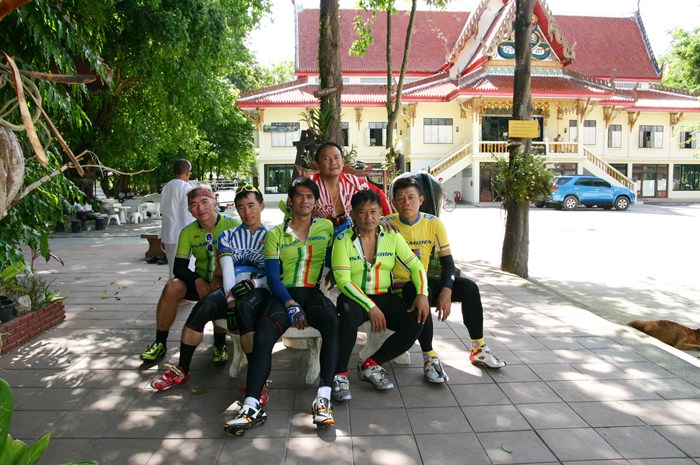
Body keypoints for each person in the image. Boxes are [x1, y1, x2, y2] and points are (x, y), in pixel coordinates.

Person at [224, 178, 338, 433]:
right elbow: (273, 278)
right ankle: (251, 405)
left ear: (315, 202)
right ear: (290, 200)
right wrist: (290, 304)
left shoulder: (326, 227)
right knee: (264, 334)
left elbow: (353, 231)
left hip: (312, 293)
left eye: (310, 196)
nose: (305, 200)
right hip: (283, 294)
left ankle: (323, 399)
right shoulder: (275, 234)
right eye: (299, 195)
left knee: (332, 322)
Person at [149, 185, 270, 391]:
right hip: (231, 285)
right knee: (202, 308)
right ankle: (181, 368)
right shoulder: (227, 235)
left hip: (259, 288)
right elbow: (227, 270)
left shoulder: (272, 236)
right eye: (241, 207)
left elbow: (276, 274)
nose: (247, 212)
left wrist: (253, 284)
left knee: (244, 311)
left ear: (262, 206)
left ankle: (258, 384)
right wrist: (230, 300)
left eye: (251, 206)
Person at [386, 176, 506, 384]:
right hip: (399, 288)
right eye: (401, 199)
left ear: (421, 200)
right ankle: (430, 358)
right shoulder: (386, 224)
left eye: (411, 197)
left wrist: (447, 290)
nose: (407, 203)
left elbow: (448, 263)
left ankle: (478, 348)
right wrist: (381, 222)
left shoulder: (433, 223)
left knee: (468, 287)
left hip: (423, 282)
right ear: (394, 202)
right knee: (418, 290)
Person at [331, 190, 429, 401]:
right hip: (354, 296)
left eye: (374, 212)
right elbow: (343, 281)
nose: (369, 217)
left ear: (381, 213)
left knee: (415, 322)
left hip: (383, 295)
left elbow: (415, 265)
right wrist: (370, 307)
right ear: (353, 214)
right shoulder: (342, 239)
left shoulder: (391, 236)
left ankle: (371, 365)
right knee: (348, 316)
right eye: (362, 212)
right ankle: (340, 375)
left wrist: (422, 293)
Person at [140, 187, 240, 364]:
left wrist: (224, 271)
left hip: (225, 283)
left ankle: (219, 344)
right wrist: (197, 280)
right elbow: (179, 267)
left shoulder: (232, 225)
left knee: (217, 286)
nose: (200, 208)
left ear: (215, 204)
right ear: (189, 211)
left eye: (204, 202)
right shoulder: (187, 232)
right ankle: (160, 342)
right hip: (199, 282)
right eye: (194, 204)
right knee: (172, 286)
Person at [308, 142, 391, 233]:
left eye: (336, 157)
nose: (333, 162)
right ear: (316, 165)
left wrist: (386, 219)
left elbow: (378, 193)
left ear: (343, 162)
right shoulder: (309, 185)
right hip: (317, 237)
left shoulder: (353, 181)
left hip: (350, 236)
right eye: (326, 158)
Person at [160, 159, 195, 274]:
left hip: (169, 235)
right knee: (186, 270)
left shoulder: (166, 188)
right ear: (187, 173)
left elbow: (162, 211)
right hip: (183, 236)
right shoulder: (186, 188)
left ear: (173, 172)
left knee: (172, 270)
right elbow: (187, 213)